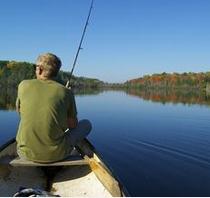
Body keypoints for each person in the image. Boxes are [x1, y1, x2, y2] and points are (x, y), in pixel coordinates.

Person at [16, 53, 92, 163]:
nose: (35, 70)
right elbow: (73, 125)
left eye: (35, 67)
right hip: (57, 155)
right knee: (86, 124)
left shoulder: (23, 85)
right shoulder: (66, 92)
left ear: (40, 69)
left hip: (24, 154)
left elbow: (21, 113)